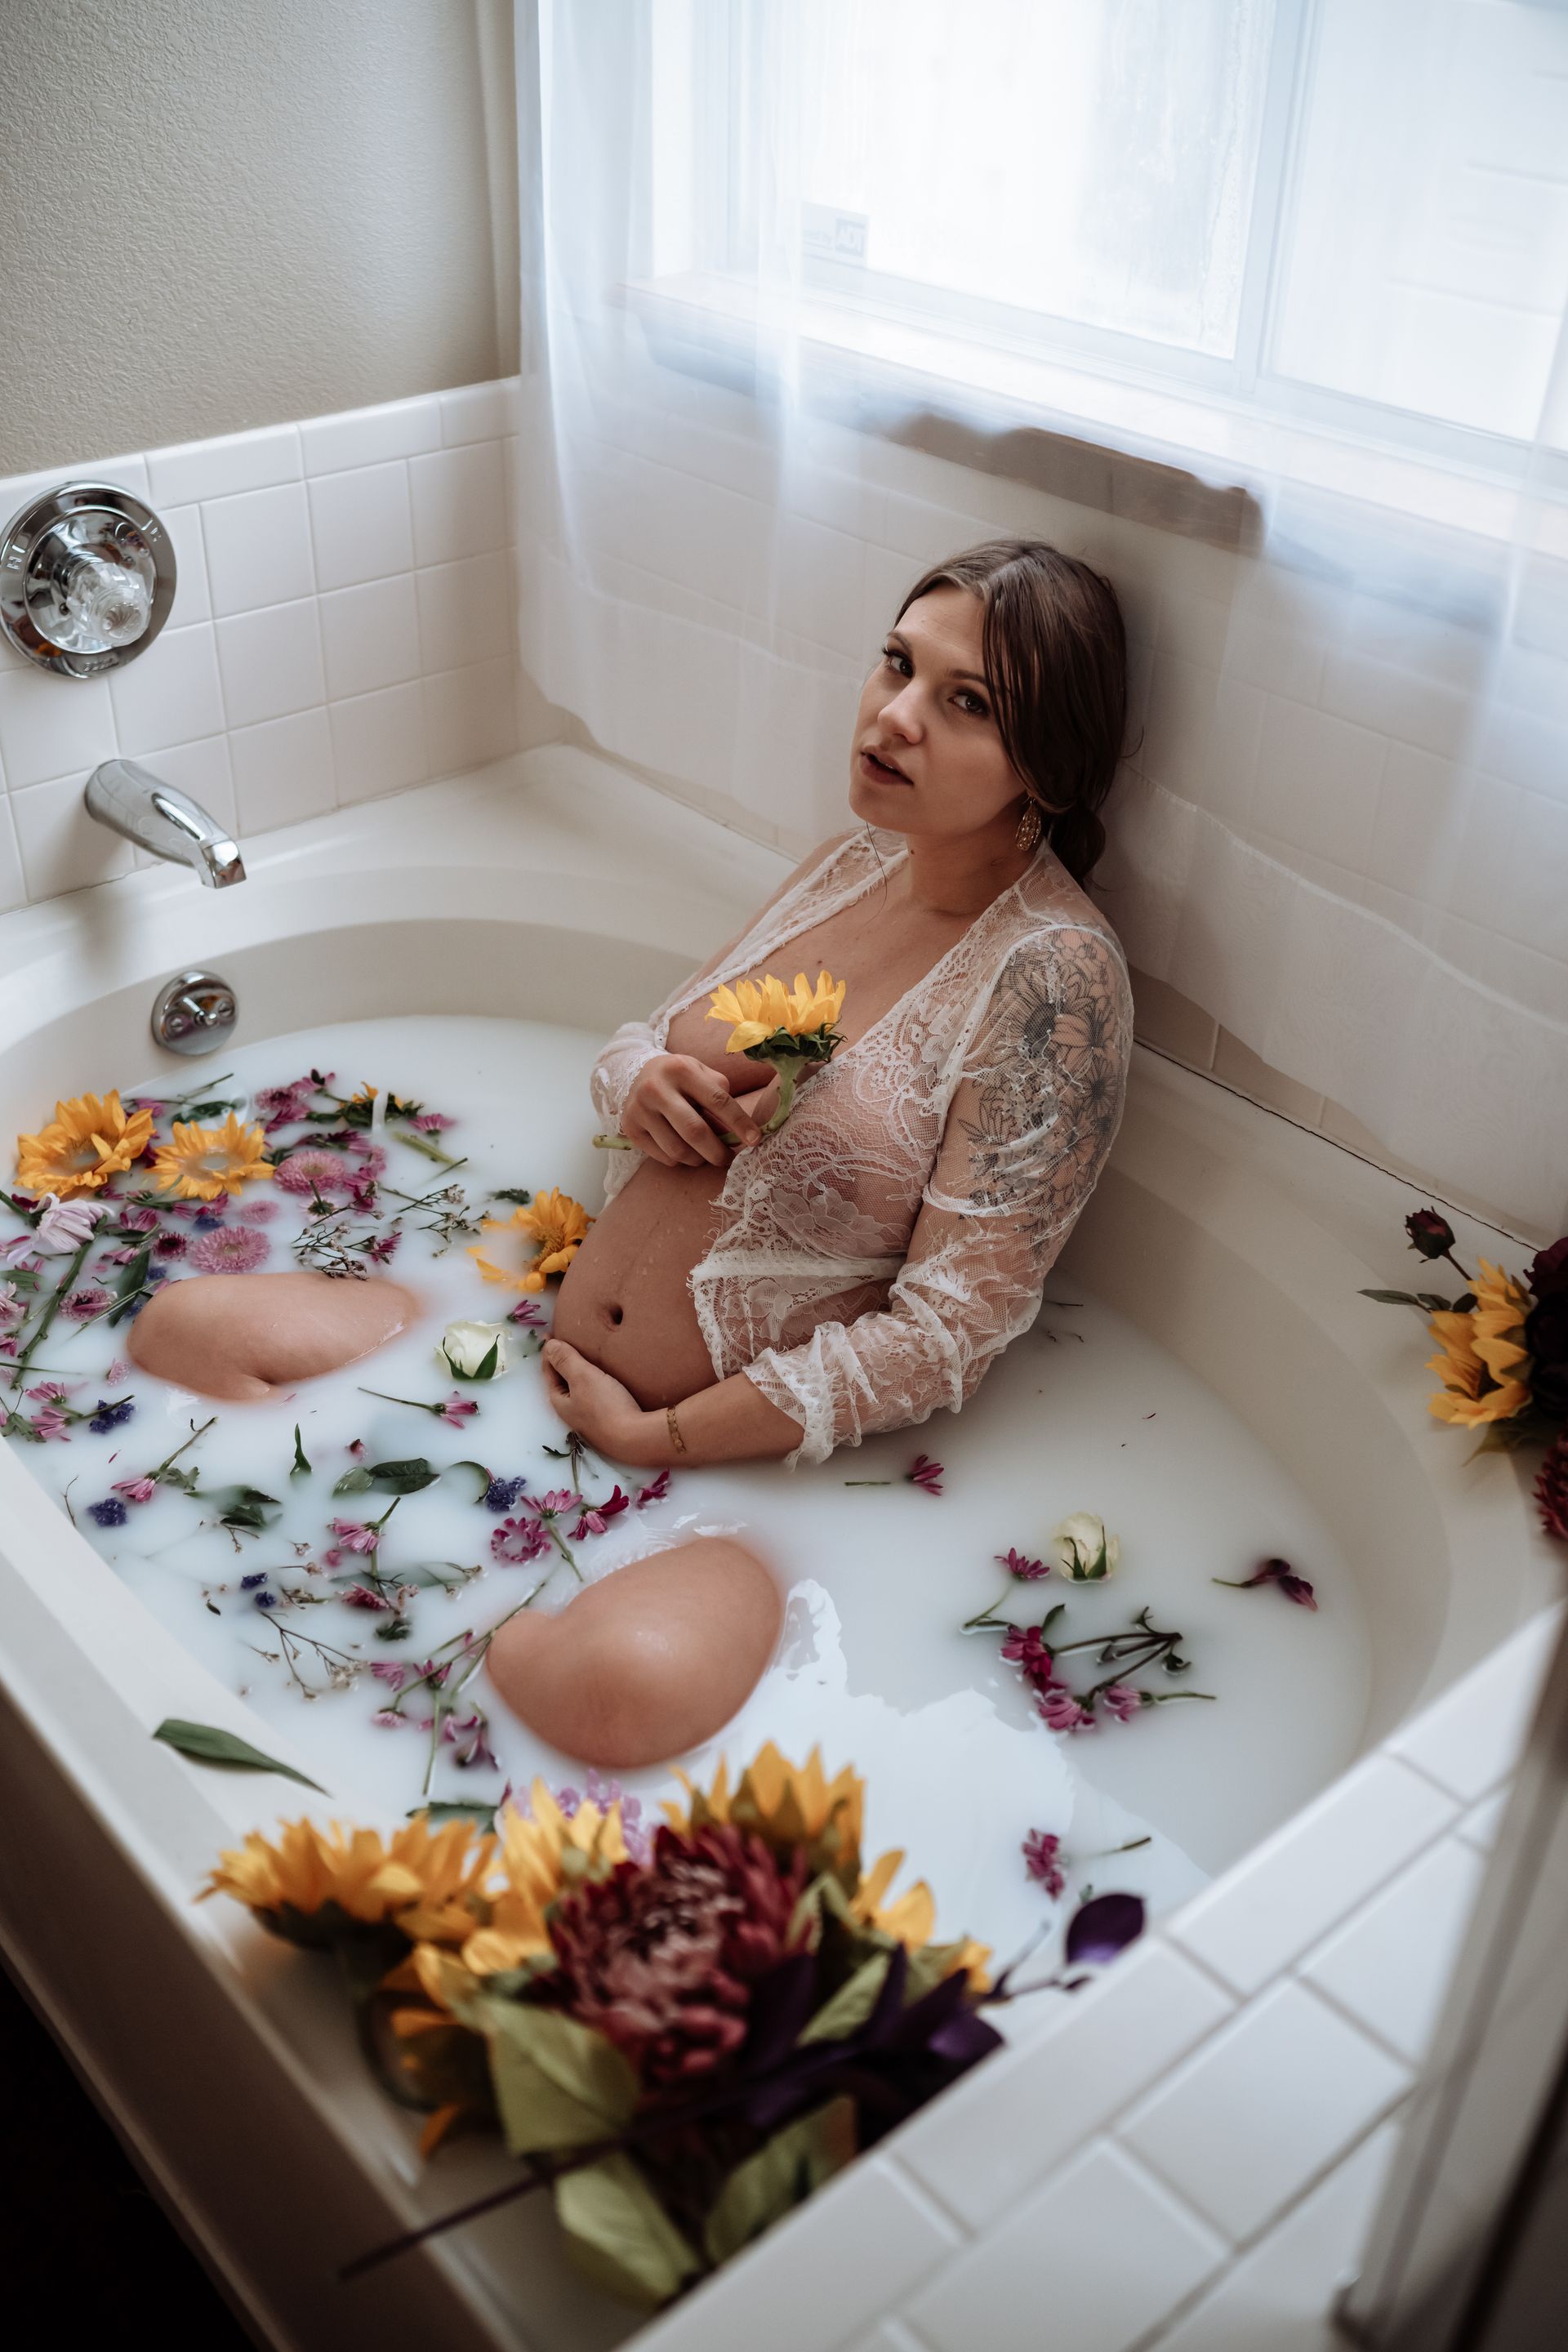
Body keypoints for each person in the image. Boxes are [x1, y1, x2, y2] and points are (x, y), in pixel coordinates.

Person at [542, 539, 1136, 1472]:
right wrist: (642, 1086)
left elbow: (948, 1335)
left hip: (722, 1477)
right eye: (899, 664)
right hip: (549, 1378)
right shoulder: (846, 863)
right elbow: (645, 1036)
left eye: (967, 702)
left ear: (1047, 768)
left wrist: (656, 1439)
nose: (895, 717)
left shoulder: (1053, 980)